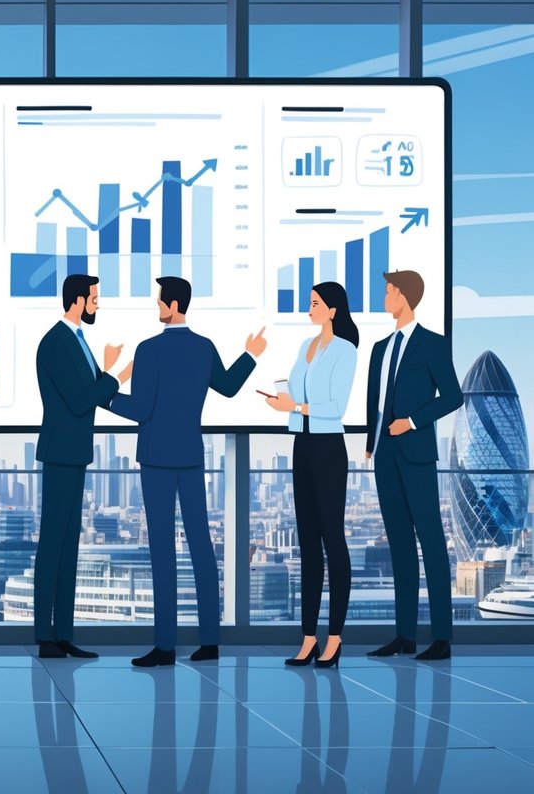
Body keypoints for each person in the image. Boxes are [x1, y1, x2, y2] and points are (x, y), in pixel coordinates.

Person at [106, 276, 267, 667]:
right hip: (191, 457)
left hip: (157, 460)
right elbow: (228, 387)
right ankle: (209, 642)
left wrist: (106, 392)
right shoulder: (204, 347)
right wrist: (250, 355)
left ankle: (165, 646)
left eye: (160, 300)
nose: (157, 306)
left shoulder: (149, 350)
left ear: (173, 305)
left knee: (163, 551)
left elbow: (140, 409)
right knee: (201, 548)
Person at [365, 270, 461, 661]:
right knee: (400, 546)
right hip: (385, 455)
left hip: (417, 452)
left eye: (389, 292)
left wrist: (413, 421)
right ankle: (404, 634)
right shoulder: (379, 347)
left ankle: (441, 637)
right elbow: (374, 400)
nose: (385, 298)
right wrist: (371, 444)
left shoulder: (433, 345)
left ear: (405, 296)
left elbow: (452, 396)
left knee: (433, 543)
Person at [33, 274, 130, 659]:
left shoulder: (77, 340)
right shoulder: (56, 342)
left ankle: (63, 634)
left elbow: (92, 397)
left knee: (69, 546)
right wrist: (114, 374)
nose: (97, 304)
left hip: (75, 452)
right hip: (60, 452)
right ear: (77, 300)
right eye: (93, 298)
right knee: (53, 545)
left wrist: (110, 378)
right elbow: (79, 401)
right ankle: (45, 636)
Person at [264, 282, 358, 669]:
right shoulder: (306, 346)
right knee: (307, 546)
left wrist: (297, 405)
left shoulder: (345, 350)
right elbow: (299, 398)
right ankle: (308, 638)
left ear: (333, 309)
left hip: (328, 449)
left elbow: (336, 407)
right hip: (301, 446)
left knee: (332, 540)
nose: (310, 310)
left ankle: (334, 637)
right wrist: (284, 404)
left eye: (316, 304)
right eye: (310, 304)